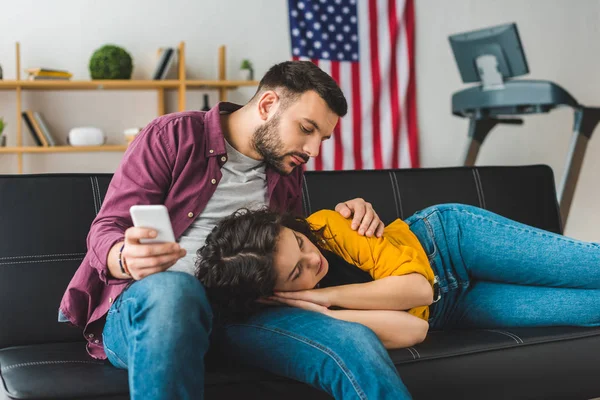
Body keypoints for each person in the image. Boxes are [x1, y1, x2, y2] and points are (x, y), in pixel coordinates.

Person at [58, 60, 415, 400]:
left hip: (243, 315)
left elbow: (292, 251)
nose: (312, 150)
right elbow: (107, 227)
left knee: (354, 342)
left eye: (322, 138)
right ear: (268, 104)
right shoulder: (172, 135)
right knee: (176, 290)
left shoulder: (287, 166)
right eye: (307, 129)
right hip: (155, 311)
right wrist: (125, 256)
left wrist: (349, 214)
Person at [196, 205, 600, 397]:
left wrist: (323, 293)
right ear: (272, 295)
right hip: (453, 308)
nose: (313, 259)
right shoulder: (292, 315)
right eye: (297, 272)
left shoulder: (328, 227)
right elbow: (416, 326)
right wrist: (312, 308)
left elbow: (419, 290)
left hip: (451, 244)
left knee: (592, 267)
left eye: (299, 244)